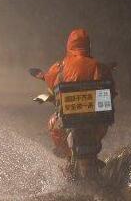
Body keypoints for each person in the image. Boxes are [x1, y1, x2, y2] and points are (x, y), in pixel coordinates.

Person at [43, 28, 114, 178]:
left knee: (52, 124)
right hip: (96, 120)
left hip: (70, 119)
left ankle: (68, 157)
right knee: (102, 120)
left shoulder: (59, 67)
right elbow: (111, 91)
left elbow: (49, 84)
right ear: (88, 45)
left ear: (69, 45)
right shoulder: (99, 66)